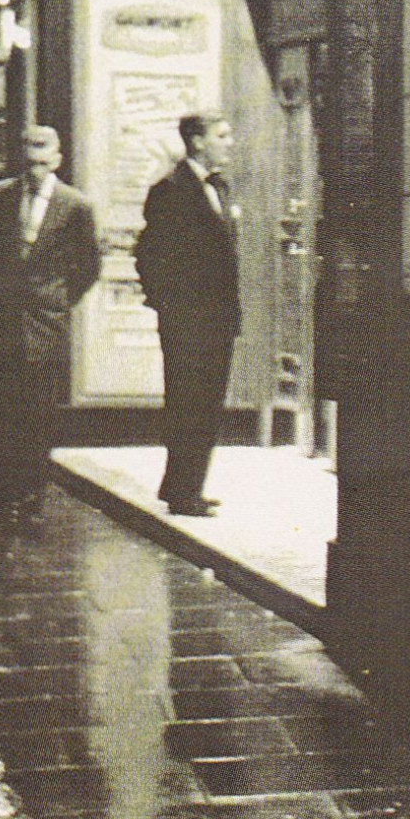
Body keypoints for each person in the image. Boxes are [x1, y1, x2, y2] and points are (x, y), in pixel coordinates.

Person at [0, 126, 102, 527]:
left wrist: (59, 301)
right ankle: (7, 488)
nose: (35, 170)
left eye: (43, 161)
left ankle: (32, 491)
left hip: (44, 323)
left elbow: (89, 266)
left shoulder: (76, 207)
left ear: (57, 159)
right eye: (29, 161)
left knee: (37, 408)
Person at [134, 112, 240, 517]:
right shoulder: (170, 189)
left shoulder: (218, 187)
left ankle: (187, 485)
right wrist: (170, 305)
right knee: (187, 402)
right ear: (197, 141)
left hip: (217, 319)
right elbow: (149, 255)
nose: (229, 142)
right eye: (222, 134)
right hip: (188, 321)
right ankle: (182, 492)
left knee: (207, 402)